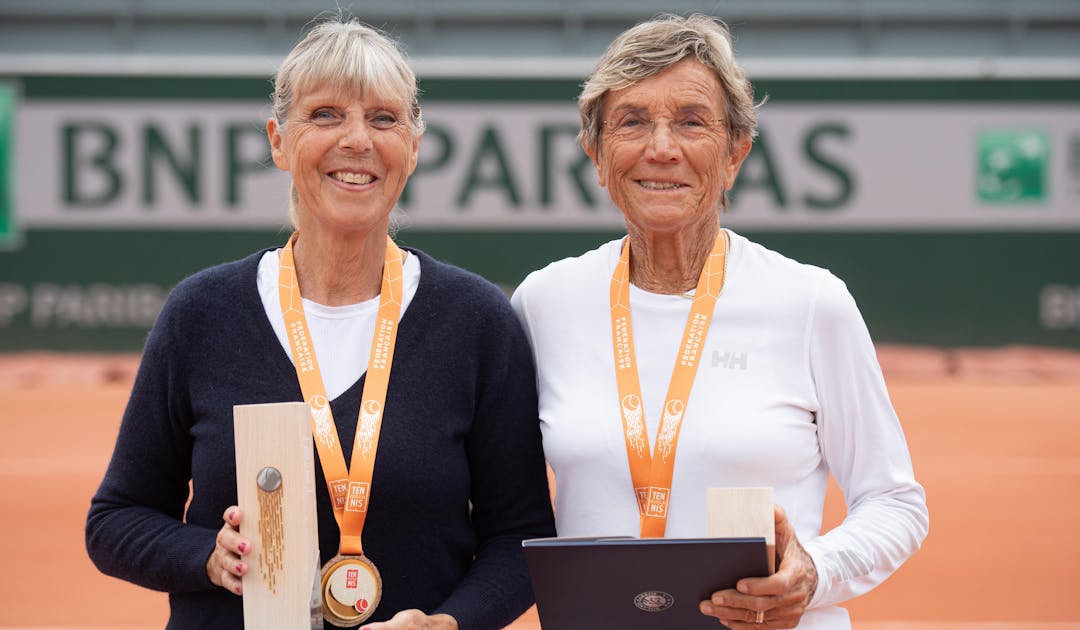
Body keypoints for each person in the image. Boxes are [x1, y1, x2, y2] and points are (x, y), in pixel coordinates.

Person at [86, 17, 555, 630]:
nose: (356, 140)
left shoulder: (476, 321)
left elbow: (519, 538)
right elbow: (116, 519)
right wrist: (208, 555)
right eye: (327, 115)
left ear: (414, 147)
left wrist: (450, 625)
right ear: (279, 141)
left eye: (384, 119)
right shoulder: (201, 313)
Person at [510, 13, 928, 630]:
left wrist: (814, 570)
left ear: (735, 154)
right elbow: (496, 509)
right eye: (631, 122)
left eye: (691, 121)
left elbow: (894, 501)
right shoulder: (543, 302)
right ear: (596, 156)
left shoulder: (812, 303)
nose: (661, 147)